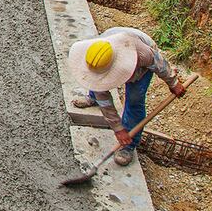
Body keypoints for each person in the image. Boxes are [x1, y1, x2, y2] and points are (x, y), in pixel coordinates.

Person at [68, 27, 189, 166]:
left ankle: (128, 146)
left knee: (134, 101)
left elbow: (159, 63)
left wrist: (173, 83)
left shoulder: (141, 54)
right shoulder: (96, 51)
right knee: (97, 83)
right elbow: (105, 101)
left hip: (141, 63)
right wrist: (117, 128)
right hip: (112, 46)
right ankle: (93, 97)